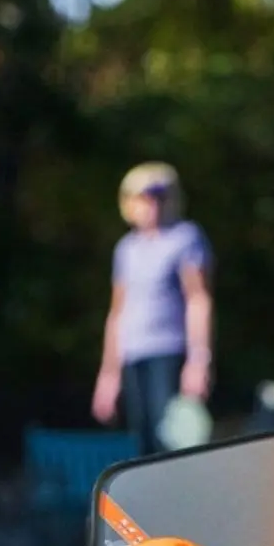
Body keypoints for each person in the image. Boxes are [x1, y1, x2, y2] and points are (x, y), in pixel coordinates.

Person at [91, 162, 215, 455]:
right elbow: (117, 313)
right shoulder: (126, 249)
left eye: (159, 195)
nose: (152, 204)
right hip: (134, 354)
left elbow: (199, 299)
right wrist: (108, 375)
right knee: (143, 446)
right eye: (143, 196)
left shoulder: (186, 237)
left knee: (173, 443)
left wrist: (199, 360)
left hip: (170, 352)